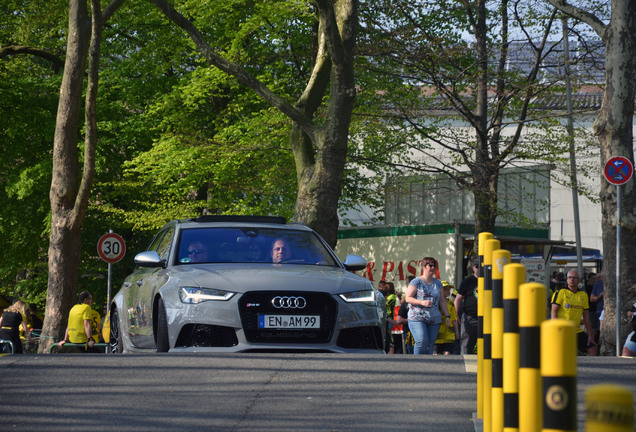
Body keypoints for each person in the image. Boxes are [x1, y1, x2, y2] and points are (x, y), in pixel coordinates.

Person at [406, 257, 451, 354]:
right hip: (417, 317)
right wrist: (422, 302)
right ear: (424, 267)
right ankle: (417, 365)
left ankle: (428, 366)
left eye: (434, 266)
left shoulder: (438, 283)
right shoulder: (416, 282)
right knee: (422, 341)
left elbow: (442, 301)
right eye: (430, 265)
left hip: (434, 318)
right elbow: (408, 298)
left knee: (430, 344)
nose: (433, 268)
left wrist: (447, 316)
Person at [551, 269, 597, 356]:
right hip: (563, 329)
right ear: (567, 279)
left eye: (575, 278)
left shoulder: (583, 295)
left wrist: (590, 334)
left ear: (579, 280)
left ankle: (589, 368)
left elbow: (586, 317)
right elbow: (554, 311)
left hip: (576, 330)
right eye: (570, 277)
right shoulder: (560, 292)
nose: (572, 280)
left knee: (592, 347)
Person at [454, 258, 479, 355]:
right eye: (477, 267)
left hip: (487, 318)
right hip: (470, 316)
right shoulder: (467, 281)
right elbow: (458, 299)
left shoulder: (490, 280)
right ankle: (463, 367)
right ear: (473, 268)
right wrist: (455, 315)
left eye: (482, 266)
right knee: (466, 343)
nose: (479, 269)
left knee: (488, 344)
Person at [435, 281, 459, 355]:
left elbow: (454, 318)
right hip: (438, 333)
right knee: (437, 352)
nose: (448, 291)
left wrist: (457, 331)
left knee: (447, 352)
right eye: (445, 289)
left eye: (449, 289)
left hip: (449, 333)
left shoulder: (451, 303)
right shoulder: (436, 302)